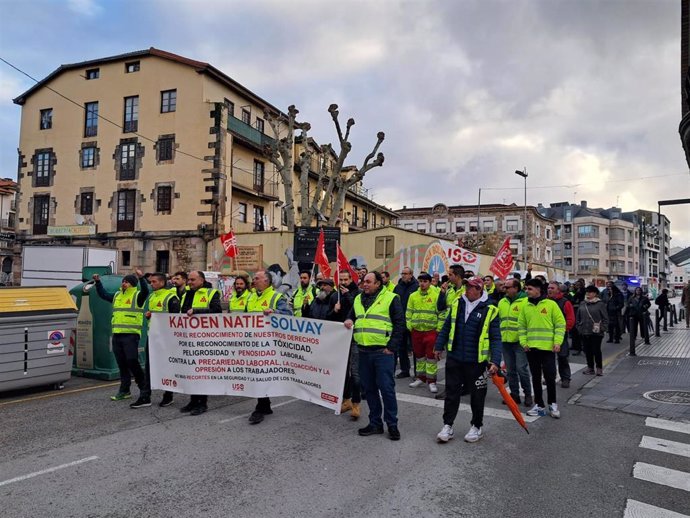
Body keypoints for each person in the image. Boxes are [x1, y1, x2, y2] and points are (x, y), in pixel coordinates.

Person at [434, 277, 502, 443]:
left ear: (479, 290)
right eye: (466, 286)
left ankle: (476, 426)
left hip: (477, 361)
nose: (467, 290)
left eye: (471, 287)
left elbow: (496, 338)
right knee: (451, 393)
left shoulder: (490, 309)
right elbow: (447, 326)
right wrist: (438, 345)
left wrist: (495, 360)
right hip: (455, 357)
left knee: (477, 396)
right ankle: (447, 425)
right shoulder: (458, 303)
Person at [345, 271, 404, 441]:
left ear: (378, 283)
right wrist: (349, 321)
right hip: (363, 351)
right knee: (369, 390)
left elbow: (400, 323)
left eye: (369, 282)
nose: (365, 284)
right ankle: (375, 423)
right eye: (364, 281)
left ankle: (392, 424)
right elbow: (352, 316)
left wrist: (391, 347)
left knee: (386, 389)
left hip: (382, 353)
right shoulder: (357, 298)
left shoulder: (391, 298)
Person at [92, 270, 150, 406]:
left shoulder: (137, 296)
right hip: (117, 334)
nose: (124, 283)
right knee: (122, 364)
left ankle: (144, 390)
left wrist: (141, 277)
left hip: (131, 335)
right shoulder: (117, 295)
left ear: (133, 284)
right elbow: (104, 295)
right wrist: (98, 282)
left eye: (128, 282)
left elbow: (146, 291)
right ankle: (124, 390)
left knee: (132, 361)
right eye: (123, 281)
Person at [246, 269, 292, 424]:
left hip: (269, 343)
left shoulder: (276, 296)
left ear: (266, 281)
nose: (254, 280)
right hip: (252, 341)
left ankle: (261, 407)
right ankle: (265, 404)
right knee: (256, 373)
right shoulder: (251, 296)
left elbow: (289, 315)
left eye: (257, 278)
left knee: (262, 372)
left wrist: (275, 311)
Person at [518, 278, 566, 419]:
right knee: (536, 378)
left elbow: (560, 324)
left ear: (539, 289)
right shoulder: (525, 306)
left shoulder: (551, 305)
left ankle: (552, 403)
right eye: (526, 289)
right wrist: (524, 342)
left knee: (550, 378)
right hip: (531, 349)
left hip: (548, 349)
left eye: (530, 289)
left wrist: (557, 342)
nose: (527, 291)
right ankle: (539, 405)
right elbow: (521, 326)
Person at [179, 271, 222, 416]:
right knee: (191, 371)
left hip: (205, 340)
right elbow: (183, 311)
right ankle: (193, 400)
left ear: (202, 280)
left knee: (202, 373)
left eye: (192, 279)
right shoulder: (188, 293)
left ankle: (202, 403)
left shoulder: (211, 293)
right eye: (189, 280)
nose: (189, 282)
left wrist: (196, 311)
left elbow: (216, 311)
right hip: (190, 338)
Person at [144, 272, 180, 408]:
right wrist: (149, 315)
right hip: (152, 337)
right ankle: (145, 396)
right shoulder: (152, 296)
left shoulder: (171, 297)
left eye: (154, 282)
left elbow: (175, 319)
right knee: (149, 367)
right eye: (150, 282)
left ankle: (168, 395)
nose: (151, 284)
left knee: (167, 367)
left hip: (166, 339)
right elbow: (154, 314)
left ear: (162, 283)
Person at [406, 273, 446, 394]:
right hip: (416, 331)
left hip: (431, 331)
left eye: (425, 281)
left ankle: (432, 381)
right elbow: (408, 312)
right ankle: (420, 378)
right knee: (419, 357)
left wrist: (438, 329)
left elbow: (442, 313)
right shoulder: (413, 296)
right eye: (420, 281)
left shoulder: (436, 294)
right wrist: (410, 326)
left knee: (431, 357)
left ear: (430, 282)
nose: (422, 284)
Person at [497, 278, 532, 407]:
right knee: (510, 370)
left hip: (520, 342)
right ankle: (514, 395)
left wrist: (526, 340)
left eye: (507, 287)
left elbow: (529, 322)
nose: (504, 289)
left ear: (516, 288)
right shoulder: (502, 302)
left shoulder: (526, 302)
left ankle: (528, 394)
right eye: (504, 287)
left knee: (521, 369)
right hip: (505, 341)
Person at [334, 269, 362, 420]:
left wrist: (347, 296)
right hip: (341, 339)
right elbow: (329, 317)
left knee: (355, 373)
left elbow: (358, 310)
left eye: (346, 280)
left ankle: (357, 402)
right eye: (341, 280)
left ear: (351, 279)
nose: (343, 283)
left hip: (356, 338)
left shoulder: (358, 293)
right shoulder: (335, 295)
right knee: (343, 372)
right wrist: (334, 309)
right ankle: (346, 400)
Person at [547, 282, 575, 388]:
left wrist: (563, 330)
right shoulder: (545, 302)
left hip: (560, 334)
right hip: (548, 334)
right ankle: (550, 378)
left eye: (552, 288)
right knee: (549, 359)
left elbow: (570, 319)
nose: (549, 290)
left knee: (562, 357)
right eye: (548, 288)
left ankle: (565, 378)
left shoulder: (565, 302)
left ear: (558, 290)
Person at [393, 266, 418, 379]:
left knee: (415, 348)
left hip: (413, 322)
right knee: (401, 347)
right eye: (402, 273)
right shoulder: (398, 287)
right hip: (400, 322)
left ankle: (418, 373)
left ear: (411, 275)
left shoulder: (416, 287)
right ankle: (405, 370)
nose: (403, 275)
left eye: (406, 273)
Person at [577, 285, 608, 374]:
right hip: (584, 331)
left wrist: (602, 328)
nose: (588, 294)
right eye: (587, 292)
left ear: (595, 294)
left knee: (596, 350)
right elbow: (578, 317)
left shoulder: (600, 304)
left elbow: (605, 318)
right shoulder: (583, 303)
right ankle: (590, 367)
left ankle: (599, 368)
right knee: (587, 350)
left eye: (590, 292)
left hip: (596, 332)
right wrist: (579, 327)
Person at [627, 287, 651, 355]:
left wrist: (645, 306)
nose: (638, 291)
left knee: (643, 326)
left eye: (639, 290)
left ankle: (644, 336)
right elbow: (628, 304)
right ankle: (633, 337)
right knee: (634, 326)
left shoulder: (644, 298)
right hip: (634, 314)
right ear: (635, 291)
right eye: (637, 290)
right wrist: (630, 305)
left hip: (642, 313)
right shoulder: (631, 298)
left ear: (641, 291)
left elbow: (649, 304)